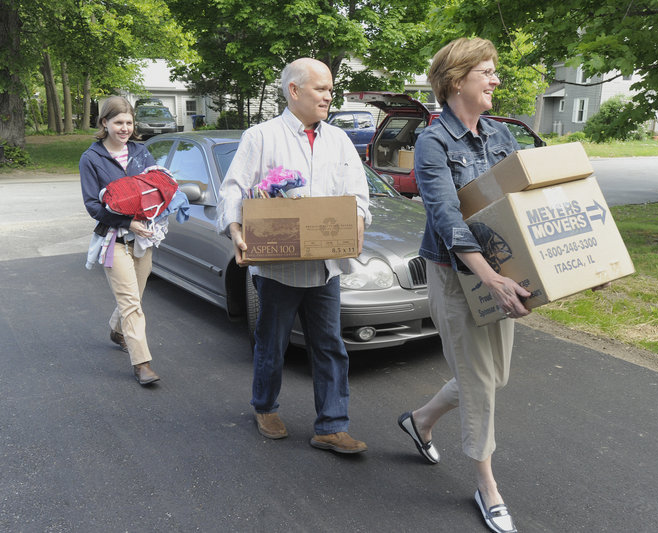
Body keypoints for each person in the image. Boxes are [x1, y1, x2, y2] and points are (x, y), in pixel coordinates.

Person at [395, 38, 529, 533]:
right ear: (457, 81)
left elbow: (524, 202)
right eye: (488, 72)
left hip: (498, 269)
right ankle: (486, 485)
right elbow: (447, 216)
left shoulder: (498, 135)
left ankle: (421, 419)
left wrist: (579, 264)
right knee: (479, 384)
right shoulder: (433, 142)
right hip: (457, 276)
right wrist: (489, 277)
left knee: (495, 376)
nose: (496, 80)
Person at [217, 58, 372, 454]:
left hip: (326, 267)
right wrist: (235, 229)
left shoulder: (338, 141)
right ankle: (265, 406)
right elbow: (234, 188)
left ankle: (331, 425)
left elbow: (358, 193)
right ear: (294, 91)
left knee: (330, 345)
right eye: (321, 88)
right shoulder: (261, 137)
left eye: (330, 89)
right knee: (272, 342)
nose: (328, 95)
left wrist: (358, 218)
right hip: (279, 267)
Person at [79, 95, 161, 386]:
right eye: (118, 122)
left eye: (128, 122)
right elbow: (93, 205)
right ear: (104, 123)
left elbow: (154, 188)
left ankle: (117, 330)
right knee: (131, 304)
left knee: (134, 298)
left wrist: (164, 203)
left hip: (143, 239)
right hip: (114, 239)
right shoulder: (92, 158)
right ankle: (142, 364)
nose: (124, 128)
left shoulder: (141, 152)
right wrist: (128, 222)